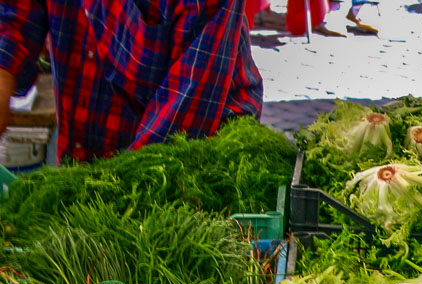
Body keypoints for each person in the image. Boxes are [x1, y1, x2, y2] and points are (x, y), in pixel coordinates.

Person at [0, 1, 264, 163]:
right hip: (88, 141)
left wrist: (111, 196)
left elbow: (181, 121)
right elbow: (15, 16)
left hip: (195, 154)